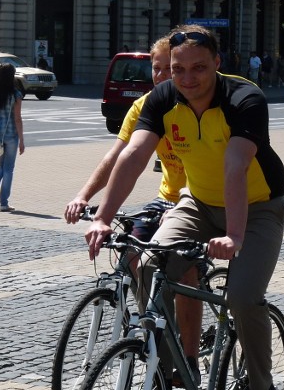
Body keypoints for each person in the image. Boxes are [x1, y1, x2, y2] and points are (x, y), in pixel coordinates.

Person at [85, 24, 284, 390]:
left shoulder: (245, 98)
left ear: (217, 63)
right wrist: (101, 216)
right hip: (197, 202)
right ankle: (179, 363)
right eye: (178, 68)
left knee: (242, 299)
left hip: (258, 208)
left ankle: (261, 383)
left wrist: (235, 236)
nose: (187, 78)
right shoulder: (163, 97)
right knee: (148, 267)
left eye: (198, 68)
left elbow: (236, 165)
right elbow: (133, 154)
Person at [64, 36, 204, 380]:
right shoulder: (145, 106)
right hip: (166, 198)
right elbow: (119, 157)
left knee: (186, 271)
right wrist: (84, 196)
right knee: (130, 252)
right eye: (155, 68)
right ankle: (155, 329)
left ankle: (188, 360)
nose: (159, 75)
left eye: (165, 68)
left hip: (199, 200)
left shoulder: (198, 103)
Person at [0, 63, 25, 212]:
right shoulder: (16, 94)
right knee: (8, 169)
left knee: (2, 167)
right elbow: (17, 119)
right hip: (11, 136)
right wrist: (22, 140)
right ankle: (4, 203)